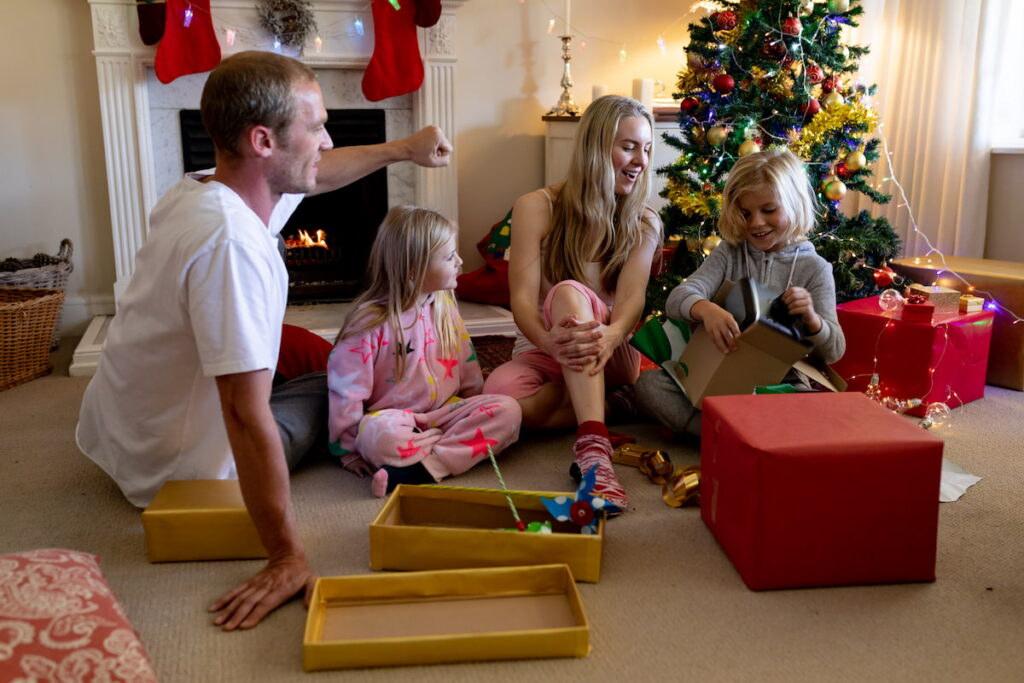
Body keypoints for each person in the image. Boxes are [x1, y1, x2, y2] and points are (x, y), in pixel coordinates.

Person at [76, 50, 452, 631]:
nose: (327, 140)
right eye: (316, 125)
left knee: (319, 365)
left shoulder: (203, 189)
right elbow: (244, 414)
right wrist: (285, 557)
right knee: (336, 386)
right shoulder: (234, 247)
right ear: (262, 141)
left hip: (119, 429)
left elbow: (316, 173)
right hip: (176, 470)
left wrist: (403, 148)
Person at [482, 95, 662, 512]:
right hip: (548, 346)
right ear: (597, 146)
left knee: (568, 292)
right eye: (629, 146)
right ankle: (613, 403)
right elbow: (523, 302)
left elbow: (632, 299)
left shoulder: (645, 220)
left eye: (647, 149)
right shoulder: (536, 207)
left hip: (611, 346)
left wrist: (611, 335)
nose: (640, 160)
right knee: (502, 397)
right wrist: (551, 345)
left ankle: (594, 447)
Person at [635, 147, 846, 436]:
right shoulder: (729, 254)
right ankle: (736, 434)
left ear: (795, 204)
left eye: (769, 210)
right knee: (649, 386)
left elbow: (834, 350)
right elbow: (677, 299)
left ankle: (724, 432)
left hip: (777, 387)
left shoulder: (815, 268)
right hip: (715, 378)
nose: (755, 223)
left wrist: (812, 320)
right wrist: (705, 309)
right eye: (745, 213)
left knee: (806, 407)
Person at [327, 206, 522, 497]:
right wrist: (348, 450)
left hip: (446, 411)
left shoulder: (445, 307)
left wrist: (474, 409)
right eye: (448, 257)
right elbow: (347, 391)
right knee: (378, 437)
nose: (460, 261)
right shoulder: (370, 321)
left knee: (508, 410)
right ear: (413, 269)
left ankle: (425, 468)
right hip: (393, 418)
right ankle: (448, 449)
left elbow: (467, 364)